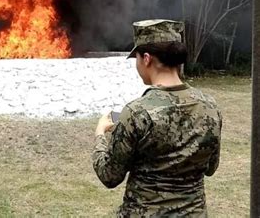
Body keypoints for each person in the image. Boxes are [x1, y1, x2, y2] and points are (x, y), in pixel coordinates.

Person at [92, 19, 222, 217]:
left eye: (135, 58)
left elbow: (109, 175)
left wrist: (100, 134)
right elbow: (211, 168)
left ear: (146, 59)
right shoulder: (210, 107)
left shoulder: (136, 113)